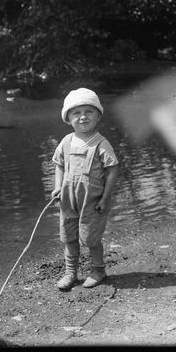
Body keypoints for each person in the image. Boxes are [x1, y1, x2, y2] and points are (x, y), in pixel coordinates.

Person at [51, 88, 120, 291]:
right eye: (76, 113)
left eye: (89, 112)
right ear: (68, 119)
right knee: (68, 234)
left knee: (90, 237)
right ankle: (71, 272)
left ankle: (98, 270)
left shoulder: (101, 144)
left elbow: (113, 170)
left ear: (98, 116)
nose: (82, 117)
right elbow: (59, 165)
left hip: (93, 199)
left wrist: (105, 198)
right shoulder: (66, 142)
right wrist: (57, 188)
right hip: (68, 199)